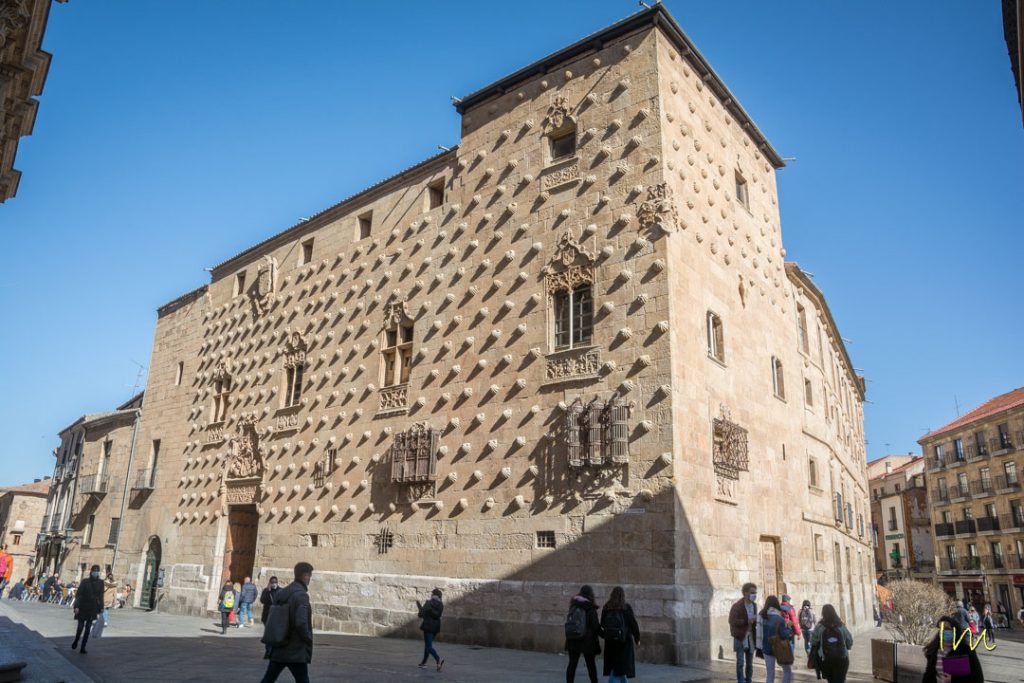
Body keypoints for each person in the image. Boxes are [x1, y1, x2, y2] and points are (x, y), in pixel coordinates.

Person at [260, 561, 314, 683]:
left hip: (279, 644)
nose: (310, 579)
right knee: (303, 680)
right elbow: (301, 622)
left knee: (268, 678)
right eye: (309, 576)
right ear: (305, 575)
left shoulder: (282, 593)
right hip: (294, 649)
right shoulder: (301, 596)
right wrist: (307, 637)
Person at [921, 616, 984, 683]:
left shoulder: (966, 650)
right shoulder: (934, 650)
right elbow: (928, 674)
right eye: (941, 628)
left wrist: (953, 680)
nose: (943, 631)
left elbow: (978, 678)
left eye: (947, 629)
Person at [600, 586, 640, 683]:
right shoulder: (626, 607)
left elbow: (602, 623)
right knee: (620, 669)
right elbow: (633, 624)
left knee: (616, 668)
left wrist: (605, 634)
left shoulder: (606, 607)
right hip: (624, 642)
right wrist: (637, 639)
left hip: (610, 642)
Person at [565, 584, 602, 683]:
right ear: (591, 594)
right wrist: (604, 634)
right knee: (591, 665)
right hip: (587, 642)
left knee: (572, 664)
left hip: (573, 639)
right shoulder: (590, 608)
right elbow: (595, 626)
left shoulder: (573, 605)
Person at [810, 604, 853, 683]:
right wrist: (847, 647)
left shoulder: (819, 627)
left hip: (826, 659)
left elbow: (813, 642)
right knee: (841, 680)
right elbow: (850, 641)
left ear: (823, 613)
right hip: (842, 658)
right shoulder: (841, 625)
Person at [758, 595, 793, 683]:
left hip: (766, 648)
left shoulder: (762, 616)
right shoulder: (779, 619)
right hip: (779, 648)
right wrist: (789, 627)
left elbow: (758, 633)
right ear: (776, 604)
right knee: (787, 671)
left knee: (770, 674)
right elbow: (784, 635)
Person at [728, 583, 758, 683]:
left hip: (751, 637)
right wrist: (746, 621)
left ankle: (749, 679)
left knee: (750, 662)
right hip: (740, 637)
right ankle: (740, 680)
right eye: (752, 592)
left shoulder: (754, 605)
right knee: (740, 661)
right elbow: (732, 621)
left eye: (755, 592)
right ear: (745, 593)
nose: (754, 594)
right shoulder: (737, 606)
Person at [71, 565, 104, 654]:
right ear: (91, 571)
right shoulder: (85, 581)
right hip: (82, 606)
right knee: (80, 627)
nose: (95, 573)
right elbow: (79, 594)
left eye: (97, 571)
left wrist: (101, 608)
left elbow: (101, 596)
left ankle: (83, 647)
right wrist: (76, 606)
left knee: (88, 628)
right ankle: (76, 640)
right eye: (94, 571)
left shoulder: (101, 583)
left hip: (93, 608)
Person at [416, 588, 445, 671]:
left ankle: (438, 659)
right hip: (435, 628)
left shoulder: (428, 603)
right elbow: (437, 615)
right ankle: (424, 663)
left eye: (432, 594)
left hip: (428, 627)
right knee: (428, 646)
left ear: (433, 595)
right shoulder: (441, 605)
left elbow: (421, 615)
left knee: (428, 646)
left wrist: (420, 607)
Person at [260, 576, 282, 659]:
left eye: (275, 582)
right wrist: (268, 592)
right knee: (268, 635)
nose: (273, 584)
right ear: (269, 583)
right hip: (267, 616)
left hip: (276, 616)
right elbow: (262, 600)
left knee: (275, 634)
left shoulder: (280, 591)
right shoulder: (266, 591)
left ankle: (274, 651)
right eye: (272, 582)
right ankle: (268, 652)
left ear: (277, 582)